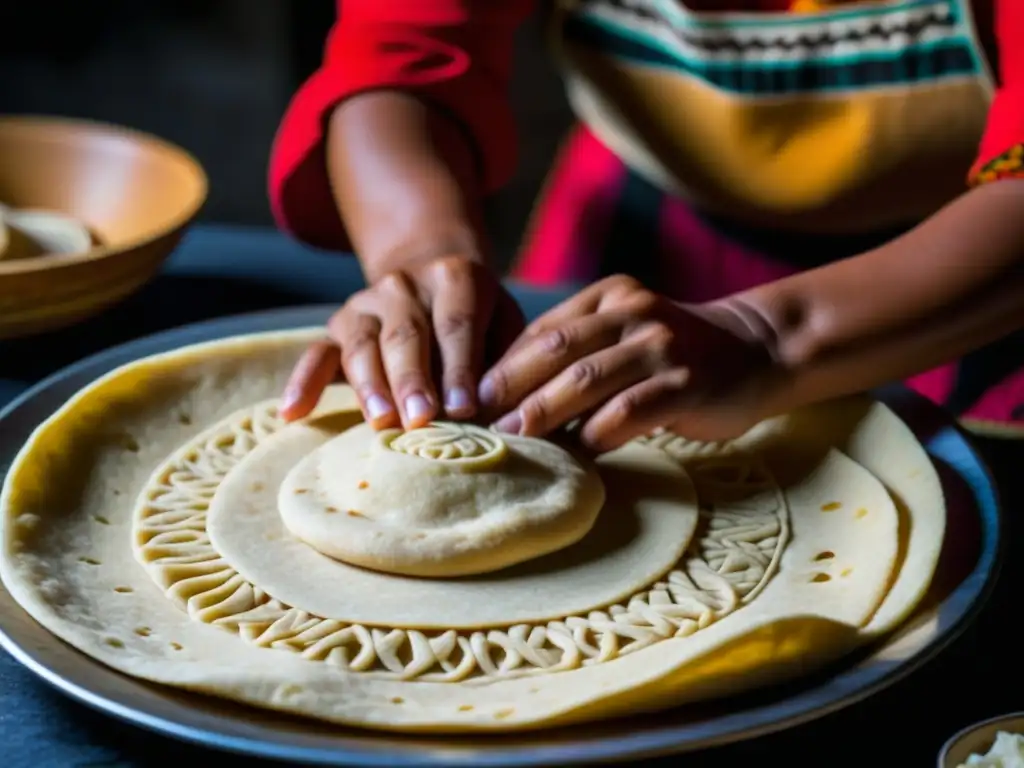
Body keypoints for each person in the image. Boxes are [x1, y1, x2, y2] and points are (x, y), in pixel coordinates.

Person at [267, 0, 1024, 451]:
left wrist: (767, 338)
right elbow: (400, 56)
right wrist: (422, 256)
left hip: (960, 280)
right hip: (642, 228)